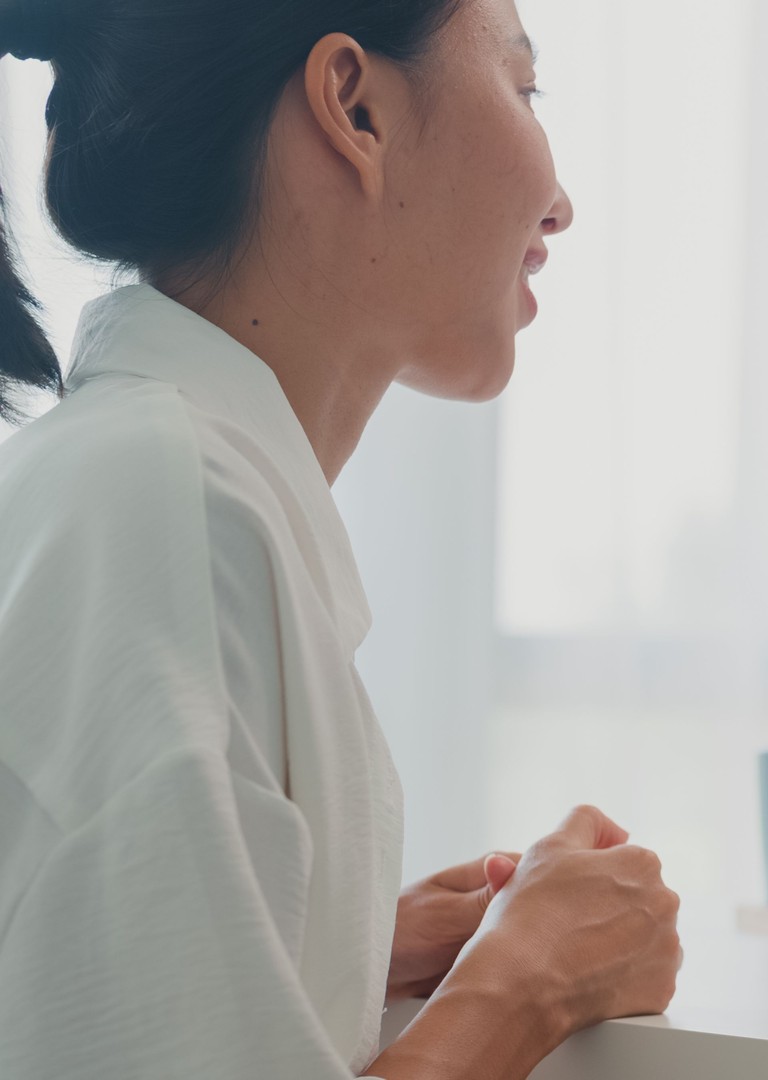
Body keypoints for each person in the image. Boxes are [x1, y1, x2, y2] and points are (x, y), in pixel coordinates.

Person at [0, 0, 682, 1076]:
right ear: (354, 107)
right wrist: (526, 981)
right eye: (521, 86)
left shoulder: (162, 484)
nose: (560, 204)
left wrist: (329, 937)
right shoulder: (161, 507)